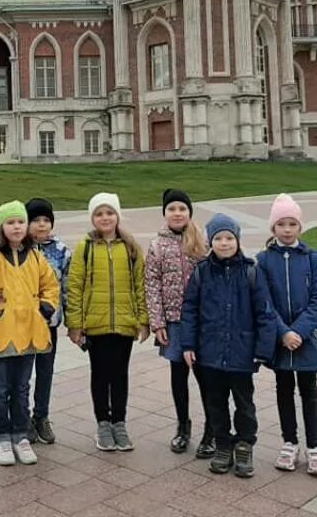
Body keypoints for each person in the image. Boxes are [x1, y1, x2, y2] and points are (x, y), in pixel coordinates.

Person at [180, 213, 275, 479]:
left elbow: (265, 313)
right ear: (211, 242)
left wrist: (261, 350)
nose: (224, 243)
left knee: (244, 404)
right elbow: (190, 310)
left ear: (237, 240)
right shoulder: (202, 273)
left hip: (242, 354)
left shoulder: (251, 272)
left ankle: (244, 445)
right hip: (210, 354)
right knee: (216, 403)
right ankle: (222, 444)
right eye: (219, 238)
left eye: (229, 238)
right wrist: (188, 344)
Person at [0, 200, 60, 466]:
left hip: (28, 334)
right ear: (2, 226)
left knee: (22, 387)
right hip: (1, 333)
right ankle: (1, 436)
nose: (17, 226)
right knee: (0, 388)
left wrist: (45, 308)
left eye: (20, 222)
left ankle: (20, 435)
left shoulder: (35, 257)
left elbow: (51, 285)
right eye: (11, 222)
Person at [66, 193, 150, 452]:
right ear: (93, 218)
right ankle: (103, 423)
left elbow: (141, 284)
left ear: (117, 216)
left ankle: (119, 423)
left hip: (124, 322)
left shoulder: (130, 247)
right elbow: (75, 285)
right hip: (96, 322)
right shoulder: (86, 247)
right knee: (100, 374)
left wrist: (143, 319)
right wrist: (75, 324)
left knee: (120, 375)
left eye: (109, 213)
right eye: (99, 214)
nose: (105, 218)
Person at [257, 194, 317, 477]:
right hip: (279, 339)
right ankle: (290, 442)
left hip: (306, 338)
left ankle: (314, 447)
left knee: (309, 391)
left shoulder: (312, 258)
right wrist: (282, 332)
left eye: (292, 224)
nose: (287, 230)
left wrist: (297, 331)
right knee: (283, 390)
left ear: (300, 227)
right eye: (281, 224)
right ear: (273, 228)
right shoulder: (263, 260)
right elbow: (263, 301)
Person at [144, 189, 213, 457]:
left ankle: (212, 430)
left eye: (182, 209)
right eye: (171, 208)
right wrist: (157, 322)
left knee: (205, 376)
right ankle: (183, 427)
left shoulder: (202, 241)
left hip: (200, 322)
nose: (177, 213)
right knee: (178, 377)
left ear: (189, 213)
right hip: (173, 322)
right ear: (164, 213)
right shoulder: (157, 245)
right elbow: (151, 284)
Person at [25, 197, 72, 445]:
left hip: (48, 324)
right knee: (21, 375)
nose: (41, 225)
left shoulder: (62, 251)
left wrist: (72, 322)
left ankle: (41, 415)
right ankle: (21, 420)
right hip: (20, 325)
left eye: (46, 220)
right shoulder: (18, 249)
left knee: (45, 372)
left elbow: (67, 289)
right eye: (35, 220)